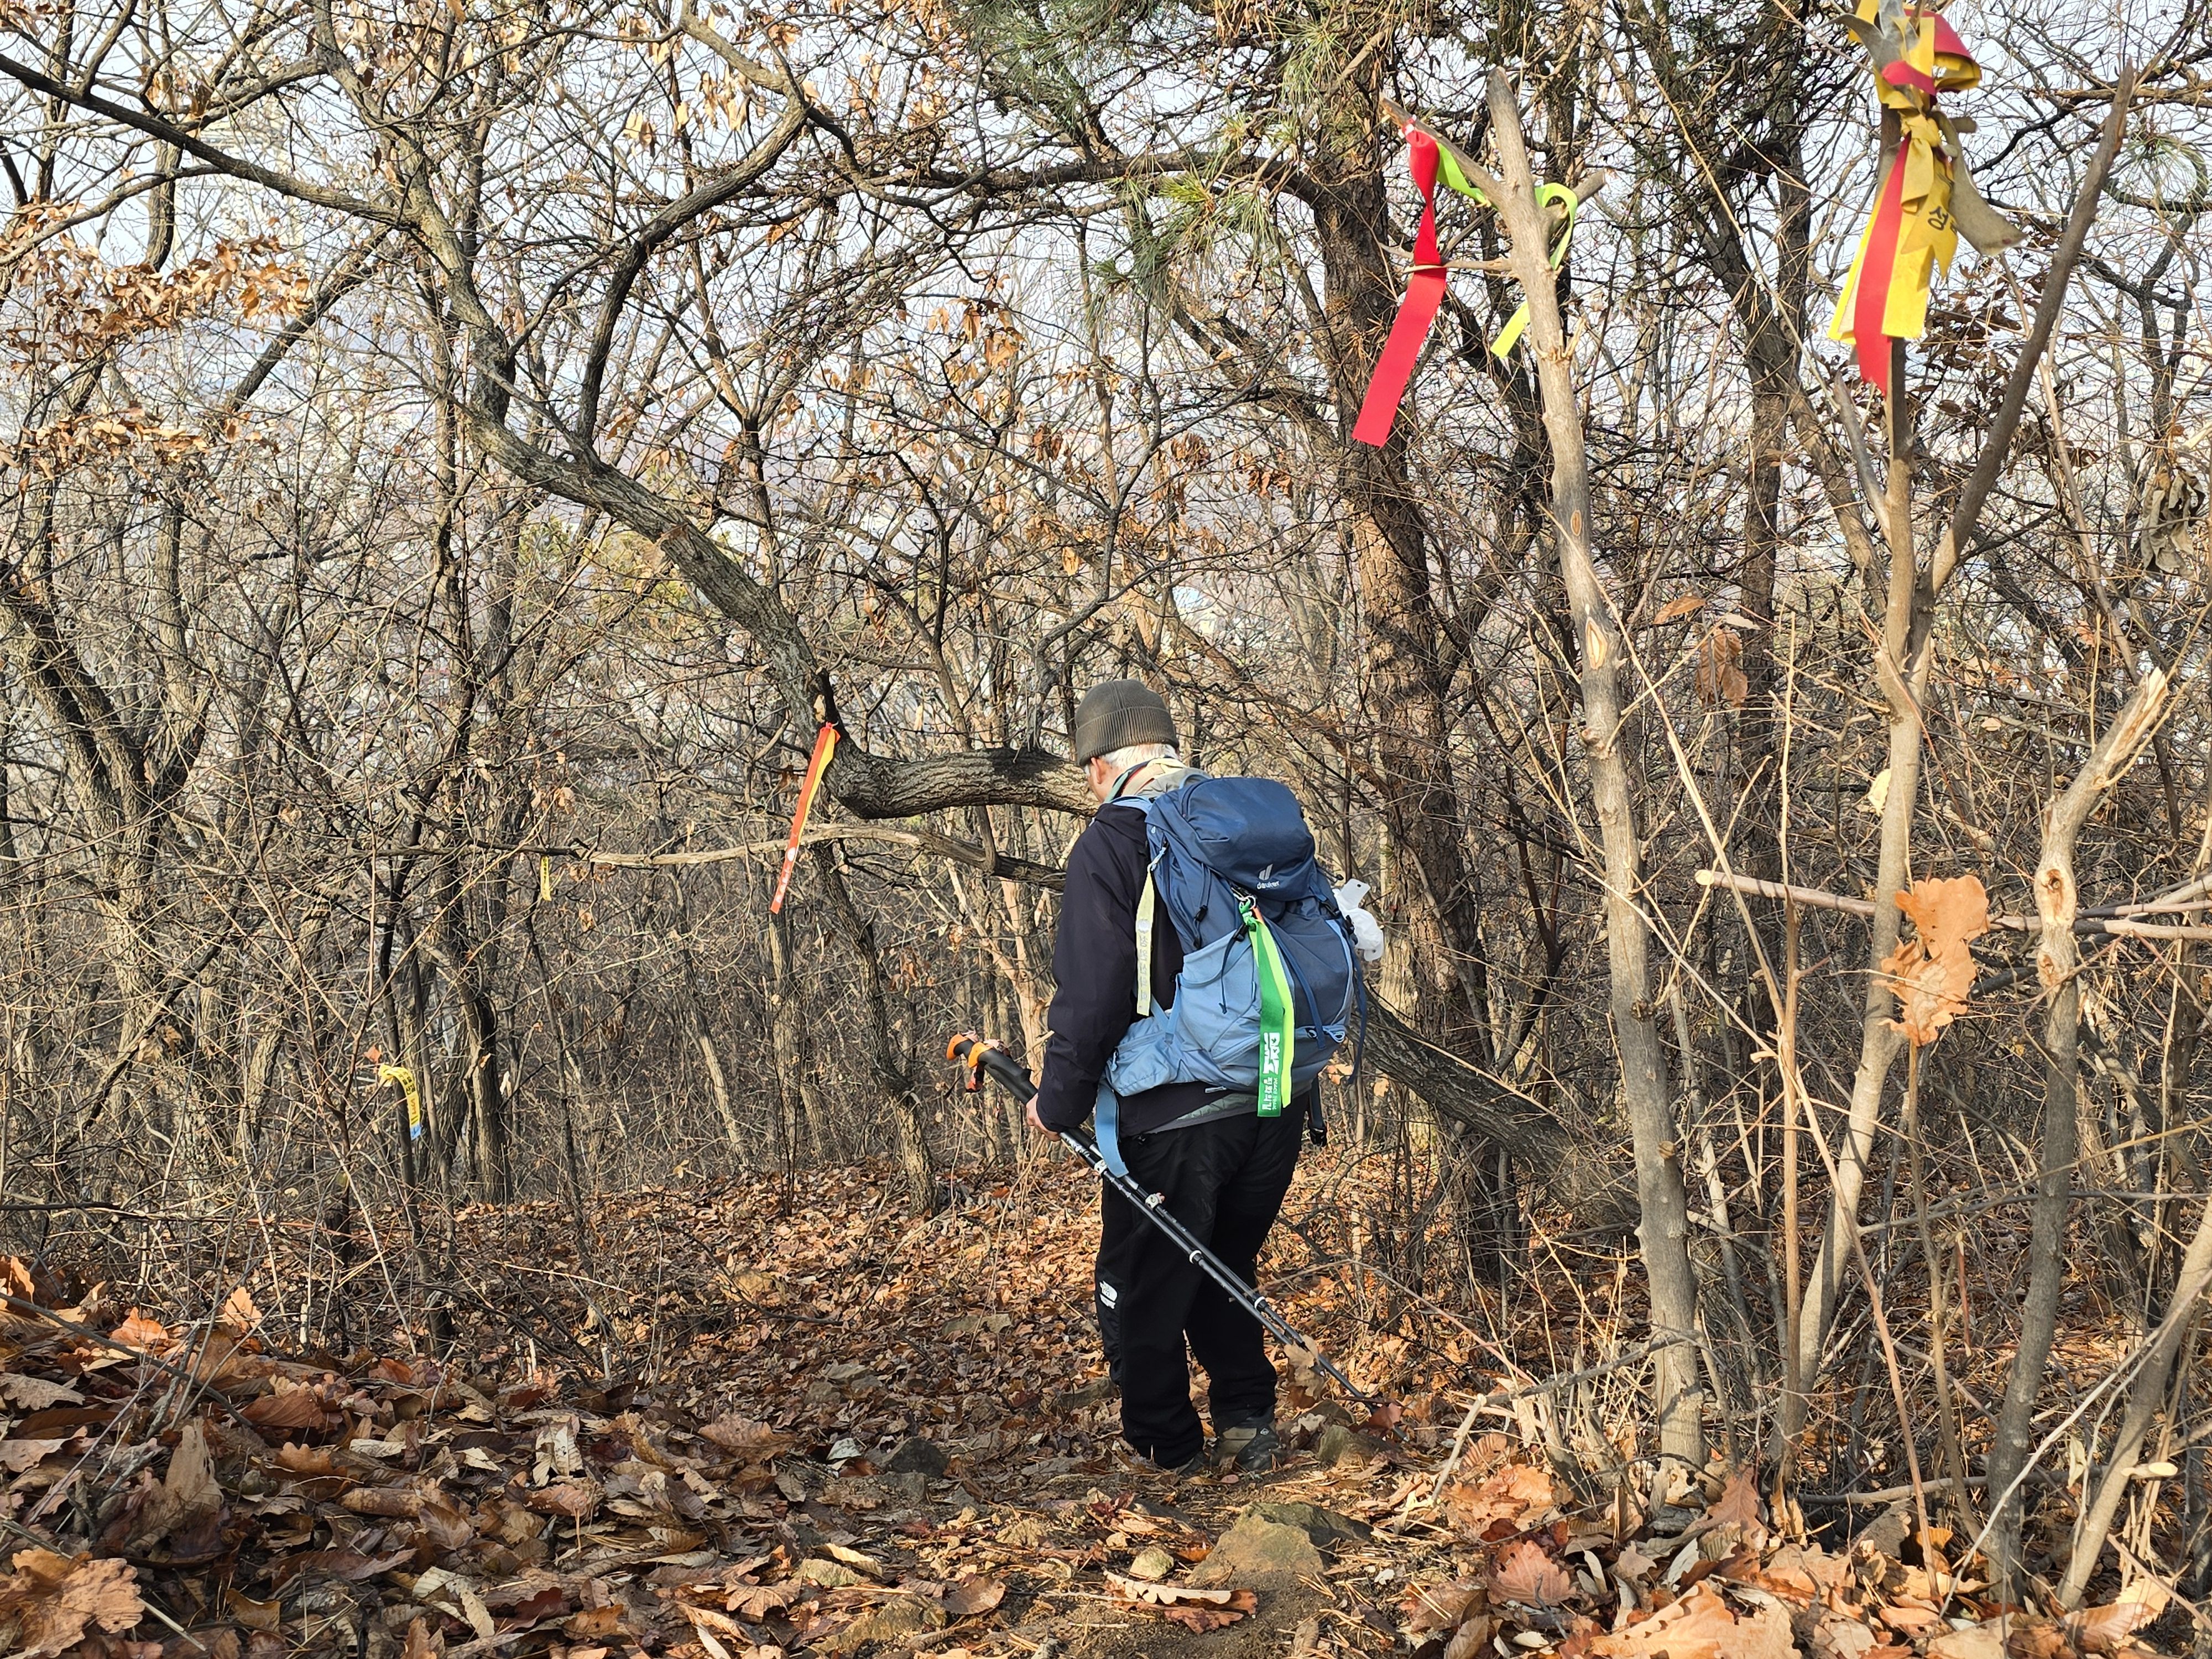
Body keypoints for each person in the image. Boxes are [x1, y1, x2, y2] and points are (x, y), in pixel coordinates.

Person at [1029, 679, 1310, 1475]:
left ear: (1100, 765)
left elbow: (1093, 993)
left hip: (1175, 1114)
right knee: (1224, 1264)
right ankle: (1248, 1424)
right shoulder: (1237, 828)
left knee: (1146, 1281)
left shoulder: (1112, 842)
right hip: (1276, 1096)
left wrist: (1058, 1100)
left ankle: (1168, 1453)